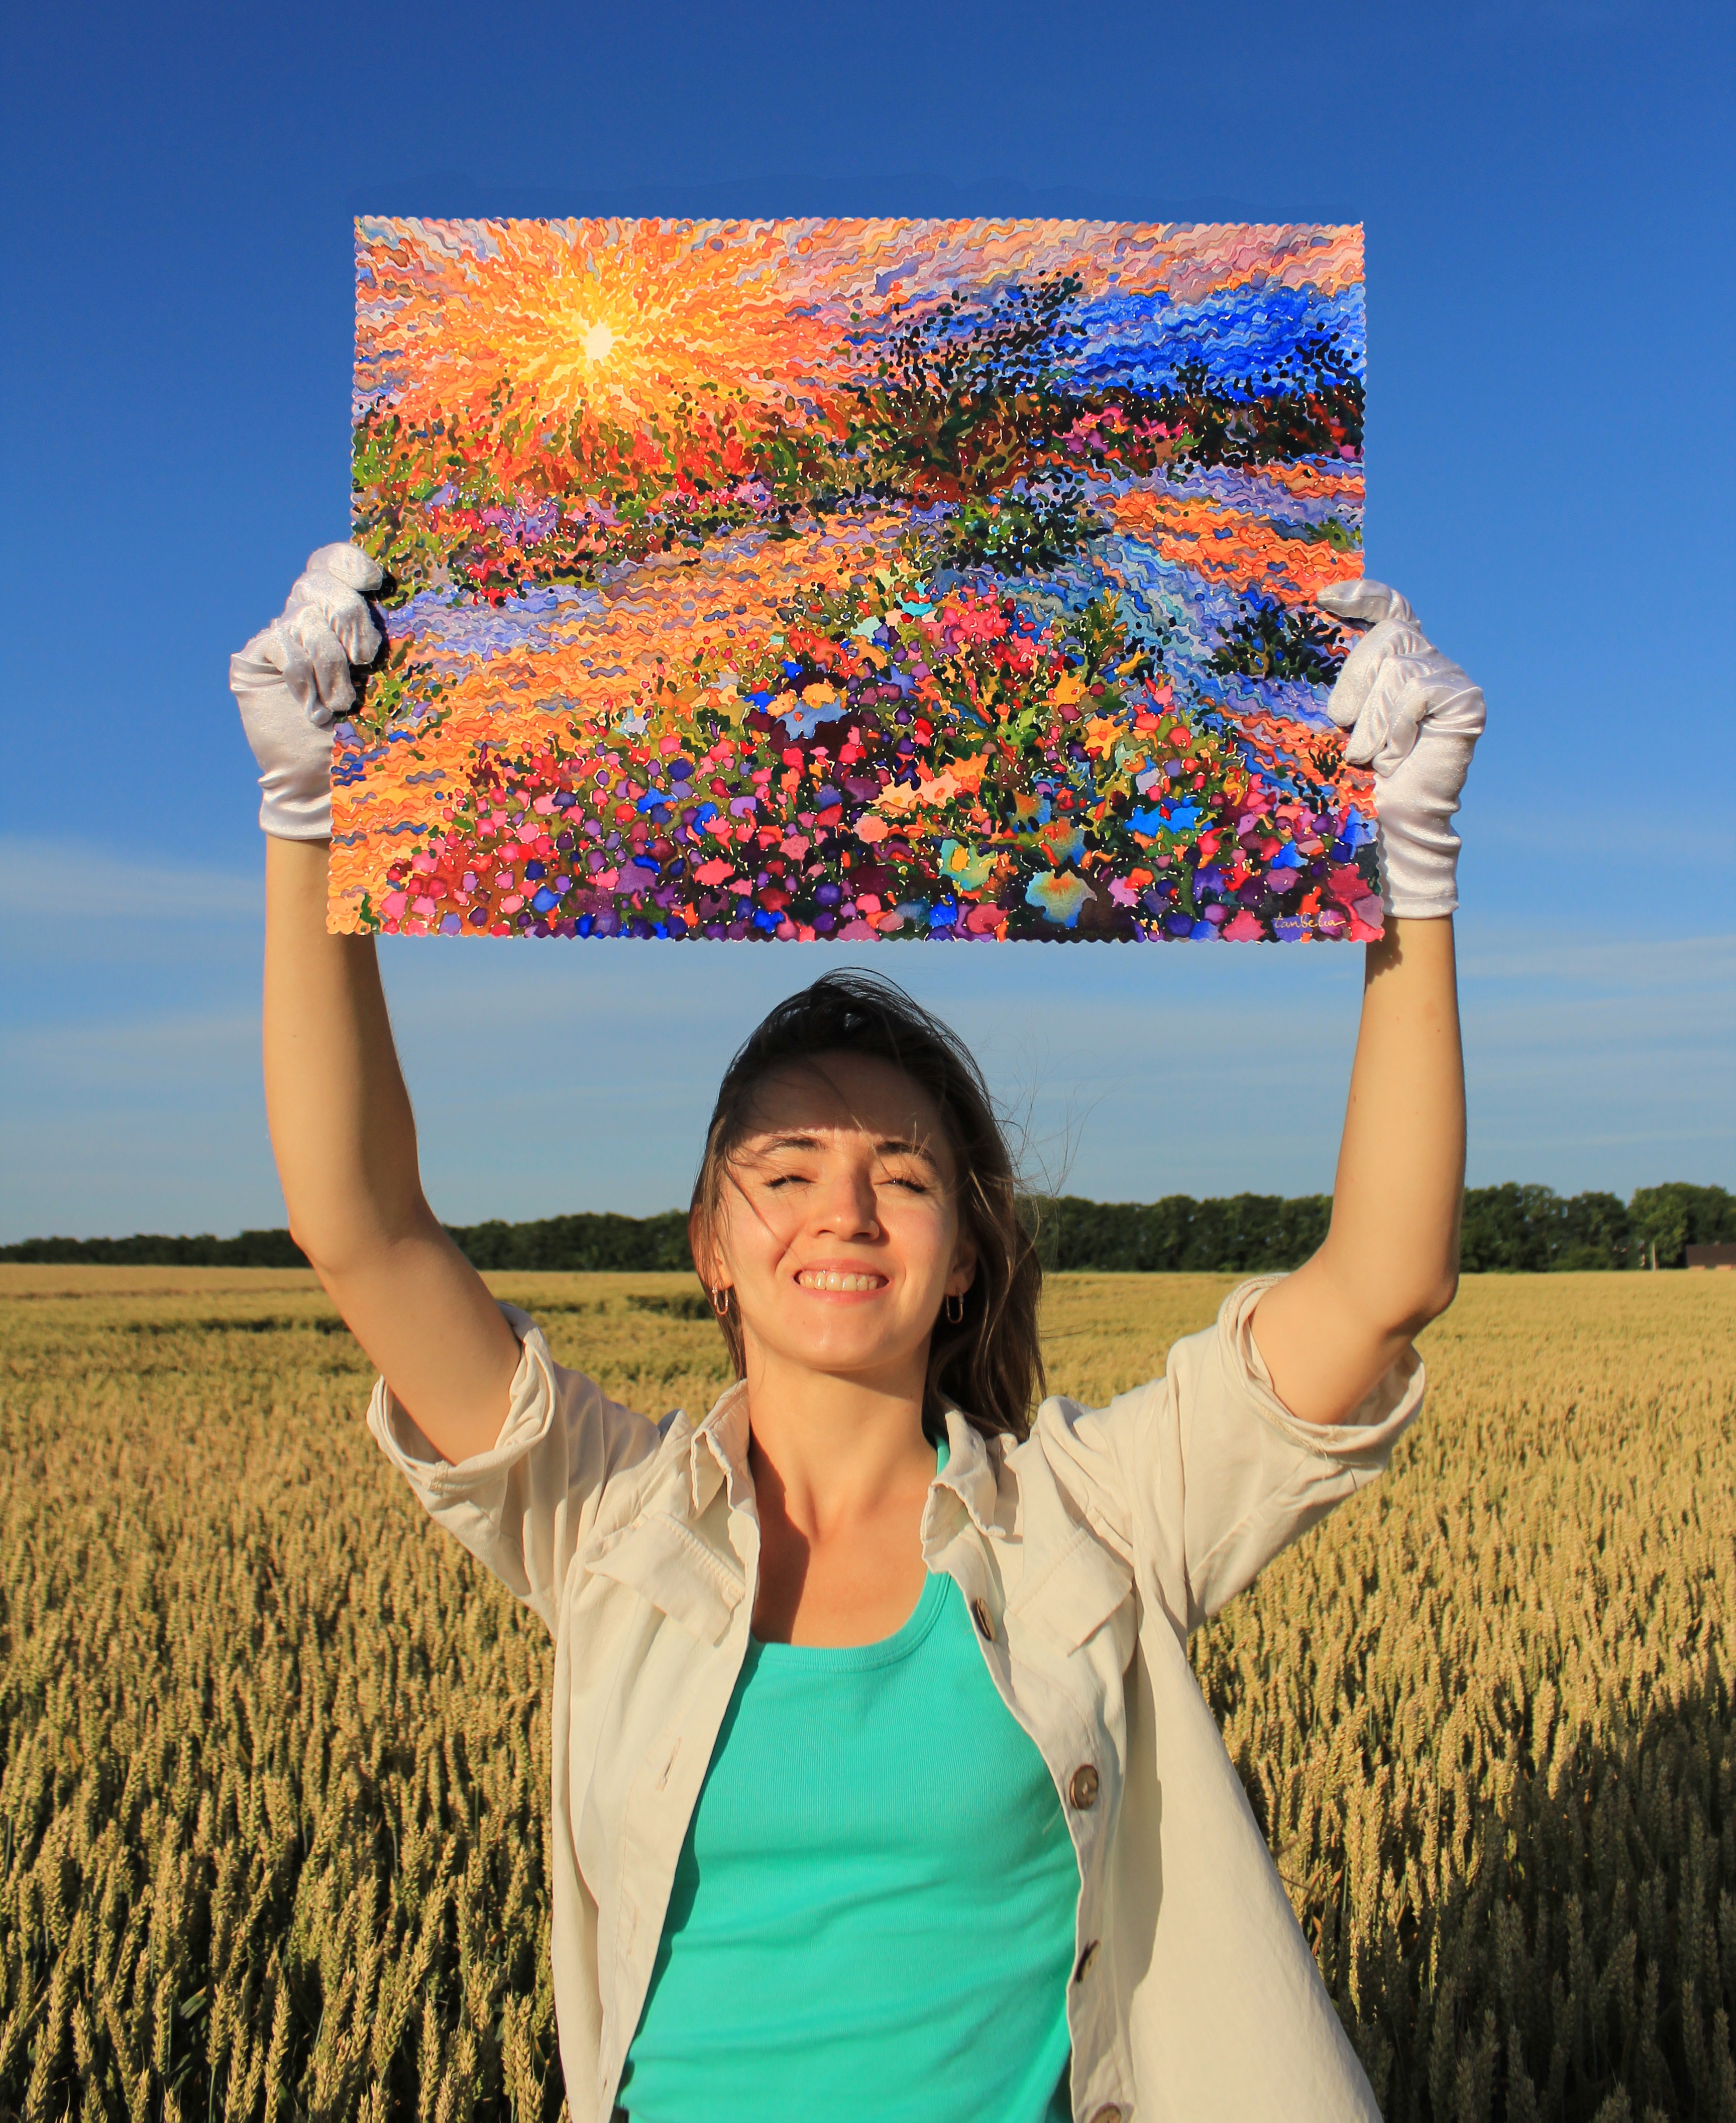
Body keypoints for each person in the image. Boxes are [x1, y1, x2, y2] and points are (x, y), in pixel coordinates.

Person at [231, 542, 1485, 2123]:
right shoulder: (610, 1523)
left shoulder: (1097, 1519)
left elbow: (1385, 1280)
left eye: (902, 1176)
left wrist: (1412, 869)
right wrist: (311, 825)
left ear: (965, 1257)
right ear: (711, 1252)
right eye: (785, 1173)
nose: (844, 1214)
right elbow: (364, 1226)